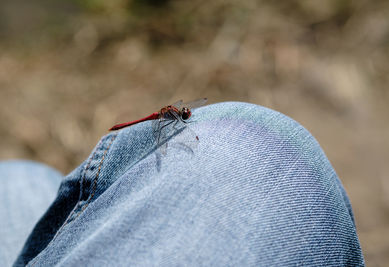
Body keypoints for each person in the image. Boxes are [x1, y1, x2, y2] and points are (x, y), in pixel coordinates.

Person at [1, 102, 364, 266]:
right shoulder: (168, 120)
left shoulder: (181, 112)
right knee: (253, 147)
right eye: (183, 115)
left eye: (185, 114)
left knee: (20, 178)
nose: (185, 115)